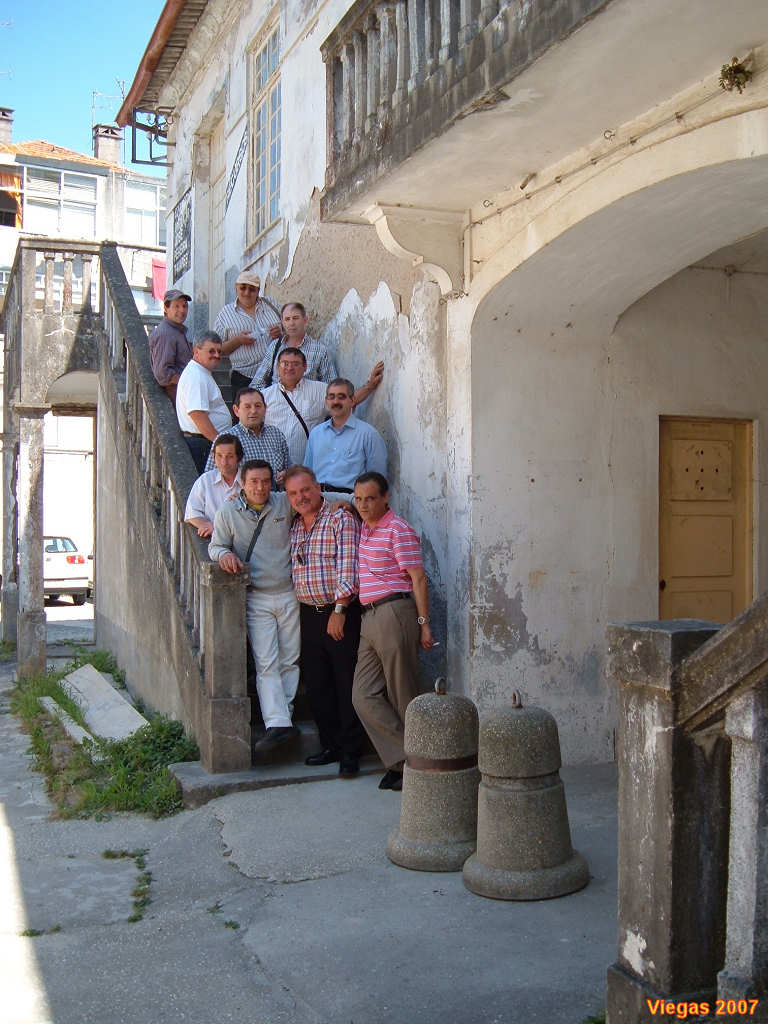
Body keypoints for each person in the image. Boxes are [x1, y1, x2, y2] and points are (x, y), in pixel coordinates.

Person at [209, 460, 300, 761]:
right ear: (243, 484)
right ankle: (277, 722)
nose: (260, 487)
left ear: (272, 482)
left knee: (290, 660)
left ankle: (284, 718)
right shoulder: (228, 512)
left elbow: (317, 497)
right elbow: (216, 546)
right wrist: (223, 555)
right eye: (254, 482)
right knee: (266, 662)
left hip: (288, 592)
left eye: (265, 481)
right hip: (257, 597)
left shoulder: (283, 503)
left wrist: (345, 502)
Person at [351, 472, 435, 792]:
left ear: (386, 498)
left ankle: (419, 766)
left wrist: (423, 624)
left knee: (403, 693)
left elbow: (418, 579)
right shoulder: (365, 527)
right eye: (358, 499)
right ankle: (403, 759)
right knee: (363, 695)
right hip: (368, 616)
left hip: (394, 611)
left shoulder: (398, 529)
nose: (363, 505)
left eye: (370, 499)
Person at [284, 466, 365, 777]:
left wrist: (340, 609)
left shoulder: (339, 518)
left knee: (346, 683)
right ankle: (330, 745)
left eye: (305, 489)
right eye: (293, 493)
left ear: (318, 487)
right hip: (307, 614)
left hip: (339, 612)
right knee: (318, 685)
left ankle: (350, 752)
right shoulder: (294, 526)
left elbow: (349, 566)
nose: (301, 497)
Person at [251, 301, 385, 406]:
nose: (291, 323)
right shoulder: (275, 347)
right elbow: (256, 384)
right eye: (287, 319)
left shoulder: (319, 350)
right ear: (282, 322)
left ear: (305, 320)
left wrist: (369, 386)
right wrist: (270, 402)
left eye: (295, 318)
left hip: (307, 411)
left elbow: (332, 388)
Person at [304, 378, 387, 492]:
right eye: (331, 397)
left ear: (352, 400)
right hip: (318, 497)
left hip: (350, 499)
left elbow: (377, 480)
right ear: (326, 401)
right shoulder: (316, 434)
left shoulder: (368, 435)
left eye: (341, 397)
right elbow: (307, 473)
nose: (336, 402)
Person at [203, 387, 289, 486]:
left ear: (265, 408)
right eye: (247, 407)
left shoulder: (276, 434)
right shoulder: (225, 439)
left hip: (276, 494)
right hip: (240, 495)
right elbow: (210, 479)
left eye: (258, 406)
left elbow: (288, 467)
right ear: (236, 410)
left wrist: (286, 474)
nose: (253, 411)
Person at [214, 271, 282, 391]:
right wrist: (238, 341)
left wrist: (280, 334)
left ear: (258, 290)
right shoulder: (225, 314)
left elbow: (289, 331)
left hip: (275, 374)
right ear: (236, 288)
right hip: (244, 377)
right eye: (243, 288)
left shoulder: (271, 305)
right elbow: (217, 349)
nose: (247, 293)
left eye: (252, 289)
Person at [262, 347, 331, 466]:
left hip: (308, 465)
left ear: (305, 367)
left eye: (295, 364)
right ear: (277, 366)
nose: (289, 368)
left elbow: (344, 404)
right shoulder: (265, 396)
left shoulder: (321, 390)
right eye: (285, 363)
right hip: (273, 465)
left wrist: (367, 387)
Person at [176, 331, 232, 473]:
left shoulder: (200, 373)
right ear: (196, 351)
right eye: (211, 351)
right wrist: (219, 442)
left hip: (203, 442)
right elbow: (197, 414)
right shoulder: (197, 376)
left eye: (219, 351)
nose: (217, 355)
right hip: (202, 444)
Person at [184, 434, 243, 537]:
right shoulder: (205, 480)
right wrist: (207, 525)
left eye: (229, 456)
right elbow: (192, 513)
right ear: (213, 456)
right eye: (219, 456)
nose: (224, 462)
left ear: (239, 458)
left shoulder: (250, 481)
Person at [148, 288, 192, 402]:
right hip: (175, 396)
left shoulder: (177, 331)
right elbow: (163, 373)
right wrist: (187, 381)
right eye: (176, 306)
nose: (182, 310)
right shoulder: (165, 333)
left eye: (184, 306)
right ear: (166, 308)